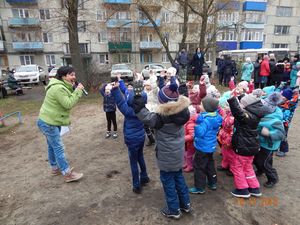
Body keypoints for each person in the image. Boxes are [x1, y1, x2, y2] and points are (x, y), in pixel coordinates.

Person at [133, 74, 191, 219]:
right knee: (179, 177)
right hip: (178, 154)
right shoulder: (184, 112)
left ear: (163, 102)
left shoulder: (160, 119)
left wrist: (138, 98)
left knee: (168, 182)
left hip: (166, 157)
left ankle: (174, 210)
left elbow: (144, 115)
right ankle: (186, 204)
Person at [37, 66, 84, 183]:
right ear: (63, 76)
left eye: (74, 74)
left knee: (52, 146)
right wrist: (78, 91)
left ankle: (54, 168)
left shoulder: (60, 85)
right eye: (71, 75)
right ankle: (67, 173)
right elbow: (68, 103)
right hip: (49, 123)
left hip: (50, 120)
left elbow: (67, 96)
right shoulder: (58, 88)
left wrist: (74, 89)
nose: (74, 77)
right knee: (58, 148)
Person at [110, 80, 150, 194]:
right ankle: (144, 177)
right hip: (141, 137)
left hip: (131, 139)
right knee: (140, 157)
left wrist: (115, 89)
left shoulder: (128, 110)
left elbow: (120, 101)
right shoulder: (144, 110)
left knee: (133, 161)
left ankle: (136, 185)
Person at [227, 94, 266, 198]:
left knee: (237, 167)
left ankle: (242, 190)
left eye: (241, 104)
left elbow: (238, 113)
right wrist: (241, 96)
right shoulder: (255, 114)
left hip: (243, 146)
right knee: (248, 167)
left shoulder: (247, 117)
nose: (240, 106)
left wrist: (232, 101)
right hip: (252, 146)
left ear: (247, 106)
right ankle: (254, 188)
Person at [189, 96, 223, 194]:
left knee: (199, 166)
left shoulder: (204, 120)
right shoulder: (216, 117)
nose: (199, 105)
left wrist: (196, 125)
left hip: (202, 147)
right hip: (210, 146)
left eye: (201, 104)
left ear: (206, 108)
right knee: (209, 164)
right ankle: (212, 183)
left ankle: (199, 187)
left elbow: (200, 133)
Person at [254, 92, 285, 188]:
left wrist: (269, 134)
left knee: (263, 162)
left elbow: (281, 134)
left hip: (269, 144)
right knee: (259, 159)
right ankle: (260, 170)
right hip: (261, 142)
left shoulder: (276, 120)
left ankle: (273, 178)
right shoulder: (264, 116)